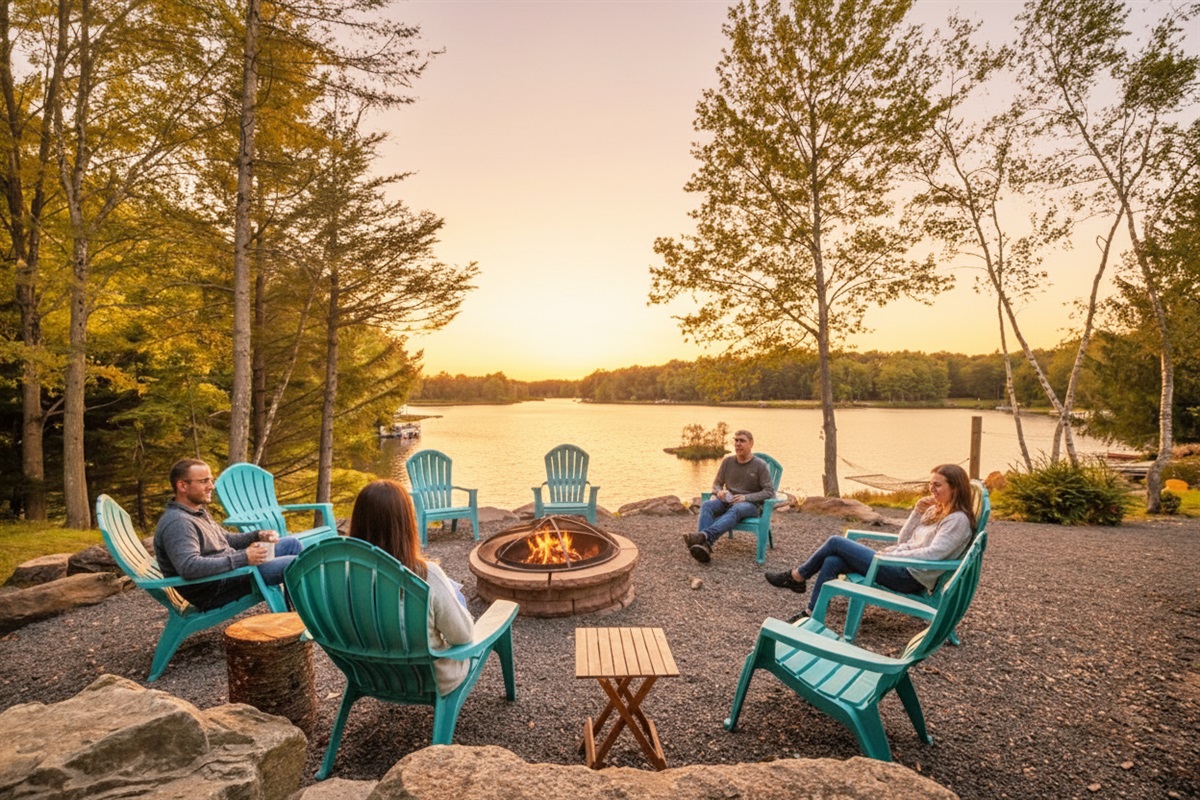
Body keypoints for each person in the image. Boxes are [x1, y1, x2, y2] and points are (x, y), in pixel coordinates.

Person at [764, 463, 976, 618]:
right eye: (930, 484)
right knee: (832, 561)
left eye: (937, 485)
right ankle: (812, 613)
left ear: (955, 488)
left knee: (836, 542)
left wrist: (893, 555)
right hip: (897, 564)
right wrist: (917, 511)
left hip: (909, 576)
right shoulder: (935, 510)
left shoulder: (957, 520)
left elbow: (934, 554)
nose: (932, 490)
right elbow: (904, 539)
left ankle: (797, 576)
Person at [348, 479, 474, 695]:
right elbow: (463, 637)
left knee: (444, 591)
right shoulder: (426, 575)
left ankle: (451, 594)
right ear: (406, 524)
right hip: (428, 679)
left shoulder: (343, 576)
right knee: (449, 595)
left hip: (373, 675)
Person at [154, 459, 303, 611]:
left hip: (230, 573)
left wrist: (258, 535)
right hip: (215, 587)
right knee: (298, 564)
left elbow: (225, 539)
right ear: (182, 486)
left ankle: (302, 614)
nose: (211, 486)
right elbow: (189, 567)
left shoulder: (196, 512)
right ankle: (312, 618)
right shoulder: (178, 522)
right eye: (204, 481)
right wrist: (243, 558)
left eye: (210, 480)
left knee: (292, 544)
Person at [683, 429, 776, 563]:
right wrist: (719, 492)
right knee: (707, 505)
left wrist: (746, 497)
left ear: (751, 443)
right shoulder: (727, 462)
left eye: (742, 441)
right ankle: (704, 546)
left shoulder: (760, 465)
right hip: (727, 500)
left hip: (751, 506)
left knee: (737, 509)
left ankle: (704, 536)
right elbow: (716, 484)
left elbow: (769, 491)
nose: (738, 444)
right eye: (736, 440)